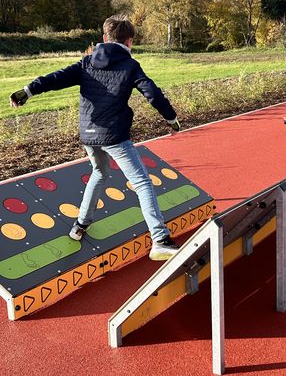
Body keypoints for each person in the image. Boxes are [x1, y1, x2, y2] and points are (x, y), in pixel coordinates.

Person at [10, 15, 181, 261]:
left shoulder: (87, 63)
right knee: (142, 183)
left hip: (88, 135)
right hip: (114, 136)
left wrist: (28, 90)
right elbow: (152, 93)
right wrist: (171, 118)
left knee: (99, 173)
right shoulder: (130, 65)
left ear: (104, 38)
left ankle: (80, 225)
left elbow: (56, 78)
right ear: (129, 42)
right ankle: (160, 239)